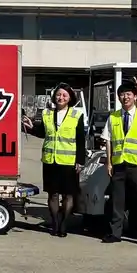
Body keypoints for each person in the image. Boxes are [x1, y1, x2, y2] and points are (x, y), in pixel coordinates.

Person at [21, 83, 85, 237]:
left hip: (69, 161)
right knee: (53, 194)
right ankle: (55, 223)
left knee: (68, 195)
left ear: (70, 98)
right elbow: (43, 133)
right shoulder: (47, 114)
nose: (60, 97)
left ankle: (64, 223)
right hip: (50, 160)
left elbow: (80, 140)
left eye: (64, 95)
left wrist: (80, 161)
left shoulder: (76, 115)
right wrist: (31, 127)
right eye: (58, 94)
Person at [100, 81, 137, 246]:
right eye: (122, 94)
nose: (125, 97)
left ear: (135, 97)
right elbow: (108, 141)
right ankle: (115, 233)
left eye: (128, 94)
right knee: (117, 201)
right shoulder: (113, 117)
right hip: (119, 164)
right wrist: (109, 163)